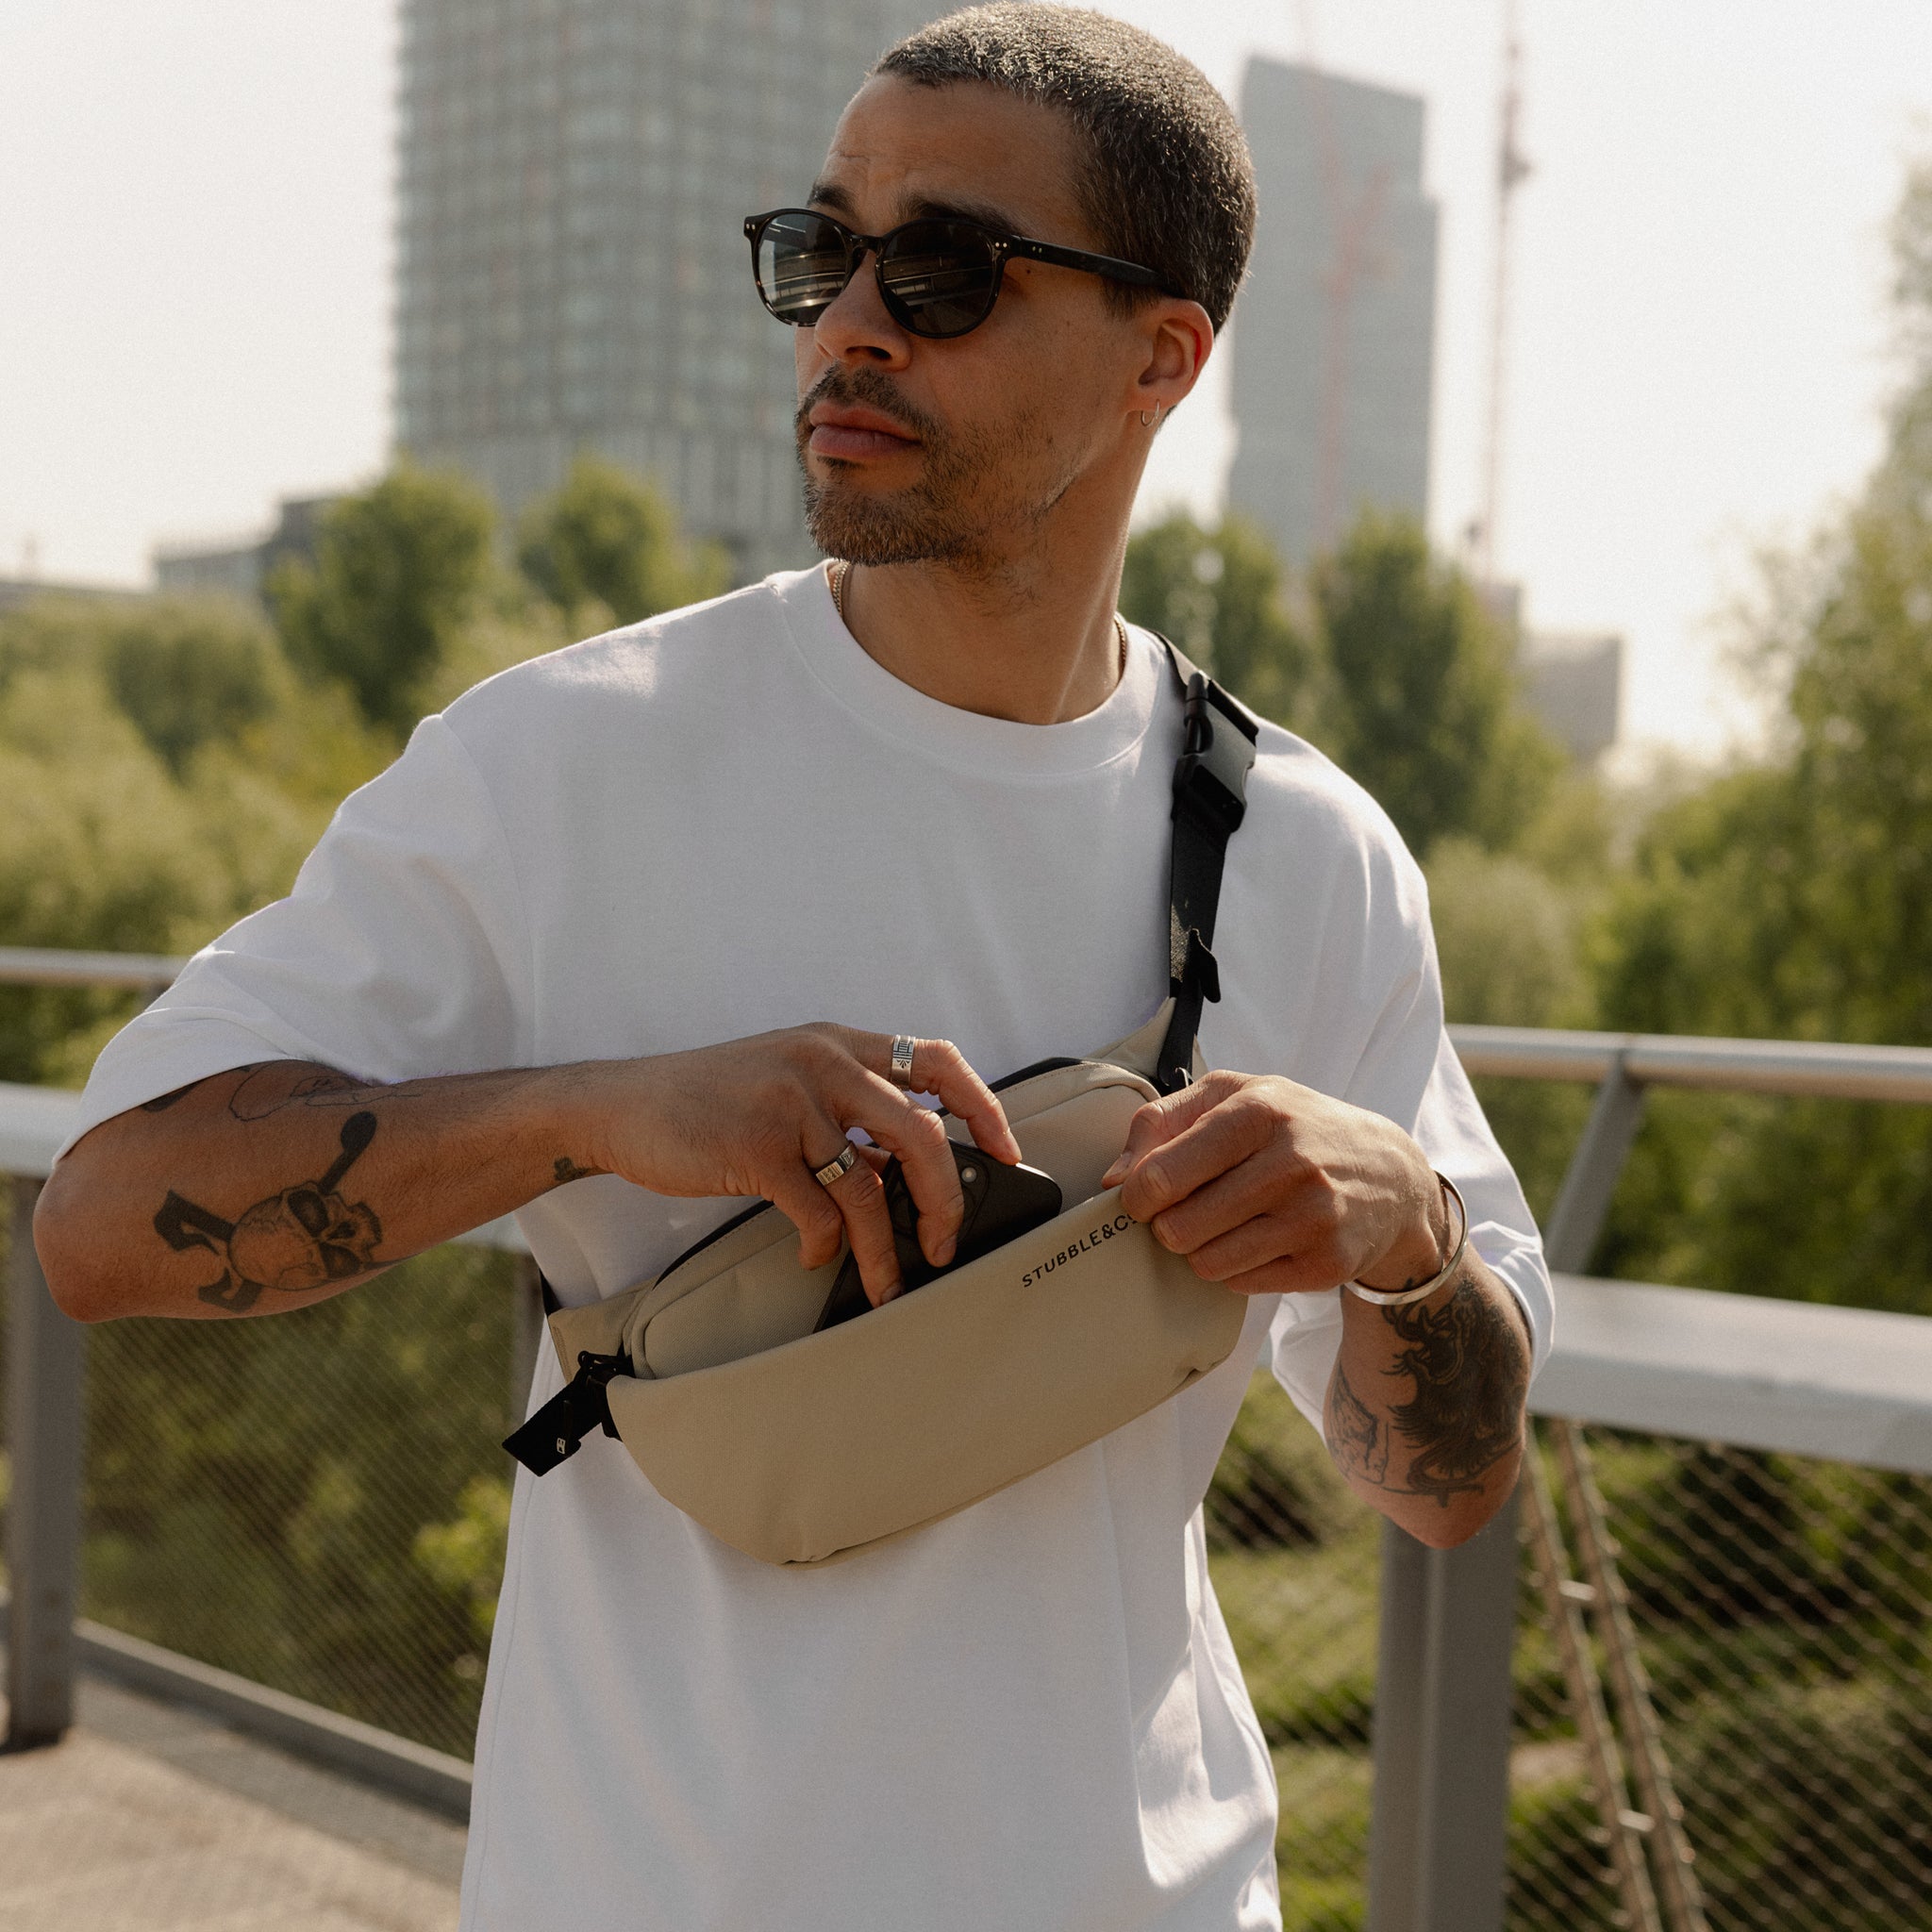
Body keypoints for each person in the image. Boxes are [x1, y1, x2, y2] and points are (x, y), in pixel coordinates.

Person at [36, 8, 1550, 1927]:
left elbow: (1441, 1484)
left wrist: (1405, 1228)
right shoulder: (567, 763)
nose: (852, 324)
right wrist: (598, 1111)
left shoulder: (1307, 857)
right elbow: (97, 1227)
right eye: (822, 253)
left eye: (943, 271)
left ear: (1164, 352)